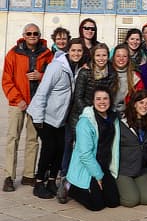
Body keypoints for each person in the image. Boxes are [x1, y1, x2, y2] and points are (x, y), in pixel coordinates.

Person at [27, 39, 84, 199]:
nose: (76, 53)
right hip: (44, 115)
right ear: (68, 50)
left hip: (59, 118)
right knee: (49, 147)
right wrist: (38, 118)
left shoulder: (76, 67)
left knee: (60, 148)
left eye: (79, 51)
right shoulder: (56, 67)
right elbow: (42, 91)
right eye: (73, 50)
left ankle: (52, 181)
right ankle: (39, 183)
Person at [2, 23, 52, 192]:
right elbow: (7, 80)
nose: (32, 36)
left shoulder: (46, 54)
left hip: (36, 104)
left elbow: (53, 76)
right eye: (29, 33)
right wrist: (17, 99)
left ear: (39, 35)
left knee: (32, 140)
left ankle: (29, 175)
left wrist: (41, 75)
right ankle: (9, 175)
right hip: (18, 103)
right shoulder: (13, 54)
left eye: (35, 33)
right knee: (12, 138)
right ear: (24, 35)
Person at [59, 87, 120, 211]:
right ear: (92, 101)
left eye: (105, 99)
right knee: (96, 205)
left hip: (104, 164)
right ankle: (70, 186)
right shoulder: (85, 122)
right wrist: (98, 176)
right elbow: (85, 155)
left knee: (113, 202)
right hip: (88, 166)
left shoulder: (113, 119)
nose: (102, 102)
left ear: (110, 100)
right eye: (98, 99)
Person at [116, 90, 147, 207]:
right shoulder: (121, 122)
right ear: (134, 104)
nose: (144, 106)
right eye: (141, 102)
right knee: (131, 200)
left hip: (140, 169)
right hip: (123, 170)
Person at [69, 43, 116, 133]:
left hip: (101, 114)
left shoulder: (111, 73)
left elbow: (110, 96)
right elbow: (78, 97)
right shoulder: (85, 72)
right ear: (93, 57)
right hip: (82, 114)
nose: (101, 59)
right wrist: (90, 113)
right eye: (98, 55)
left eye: (104, 55)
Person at [112, 43, 144, 115]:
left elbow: (139, 99)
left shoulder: (136, 77)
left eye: (124, 56)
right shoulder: (107, 74)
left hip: (128, 115)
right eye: (118, 56)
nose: (121, 59)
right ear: (113, 57)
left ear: (128, 58)